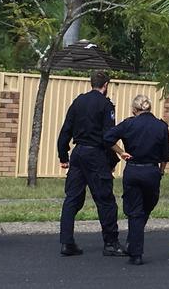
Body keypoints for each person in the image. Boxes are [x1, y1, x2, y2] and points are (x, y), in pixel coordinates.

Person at [57, 71, 126, 257]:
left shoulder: (78, 102)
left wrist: (63, 156)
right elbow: (108, 136)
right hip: (95, 154)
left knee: (72, 199)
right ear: (106, 85)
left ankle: (66, 242)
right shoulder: (106, 105)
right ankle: (111, 243)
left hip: (78, 153)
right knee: (105, 200)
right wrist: (113, 160)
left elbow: (66, 131)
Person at [103, 95, 169, 266]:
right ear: (149, 108)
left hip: (133, 170)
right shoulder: (161, 126)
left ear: (134, 110)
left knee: (134, 212)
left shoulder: (129, 123)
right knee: (146, 208)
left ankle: (135, 252)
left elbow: (107, 137)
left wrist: (120, 152)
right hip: (151, 171)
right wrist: (160, 172)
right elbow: (165, 156)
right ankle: (134, 243)